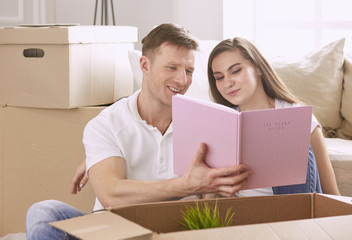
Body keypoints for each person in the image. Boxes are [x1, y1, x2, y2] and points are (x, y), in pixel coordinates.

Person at [26, 24, 251, 240]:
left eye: (189, 71)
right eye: (171, 68)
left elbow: (209, 207)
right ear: (145, 65)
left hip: (178, 232)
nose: (182, 80)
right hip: (114, 233)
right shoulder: (107, 124)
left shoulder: (207, 123)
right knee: (43, 213)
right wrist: (186, 185)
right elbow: (110, 194)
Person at [206, 37, 340, 197]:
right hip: (244, 214)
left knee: (292, 138)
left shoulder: (299, 117)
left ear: (258, 68)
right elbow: (209, 196)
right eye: (219, 77)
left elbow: (332, 193)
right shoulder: (222, 122)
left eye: (235, 71)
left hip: (294, 213)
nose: (227, 83)